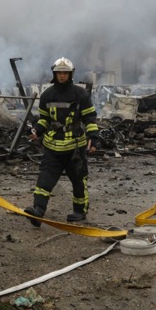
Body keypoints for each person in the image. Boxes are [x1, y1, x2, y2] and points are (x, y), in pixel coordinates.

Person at [24, 57, 99, 225]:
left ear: (71, 74)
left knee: (79, 180)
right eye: (59, 73)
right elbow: (44, 119)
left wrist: (93, 138)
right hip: (53, 146)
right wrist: (36, 130)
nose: (62, 76)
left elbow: (90, 118)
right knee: (45, 179)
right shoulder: (47, 95)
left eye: (65, 73)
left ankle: (79, 211)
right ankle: (38, 211)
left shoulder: (80, 94)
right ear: (54, 74)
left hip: (75, 147)